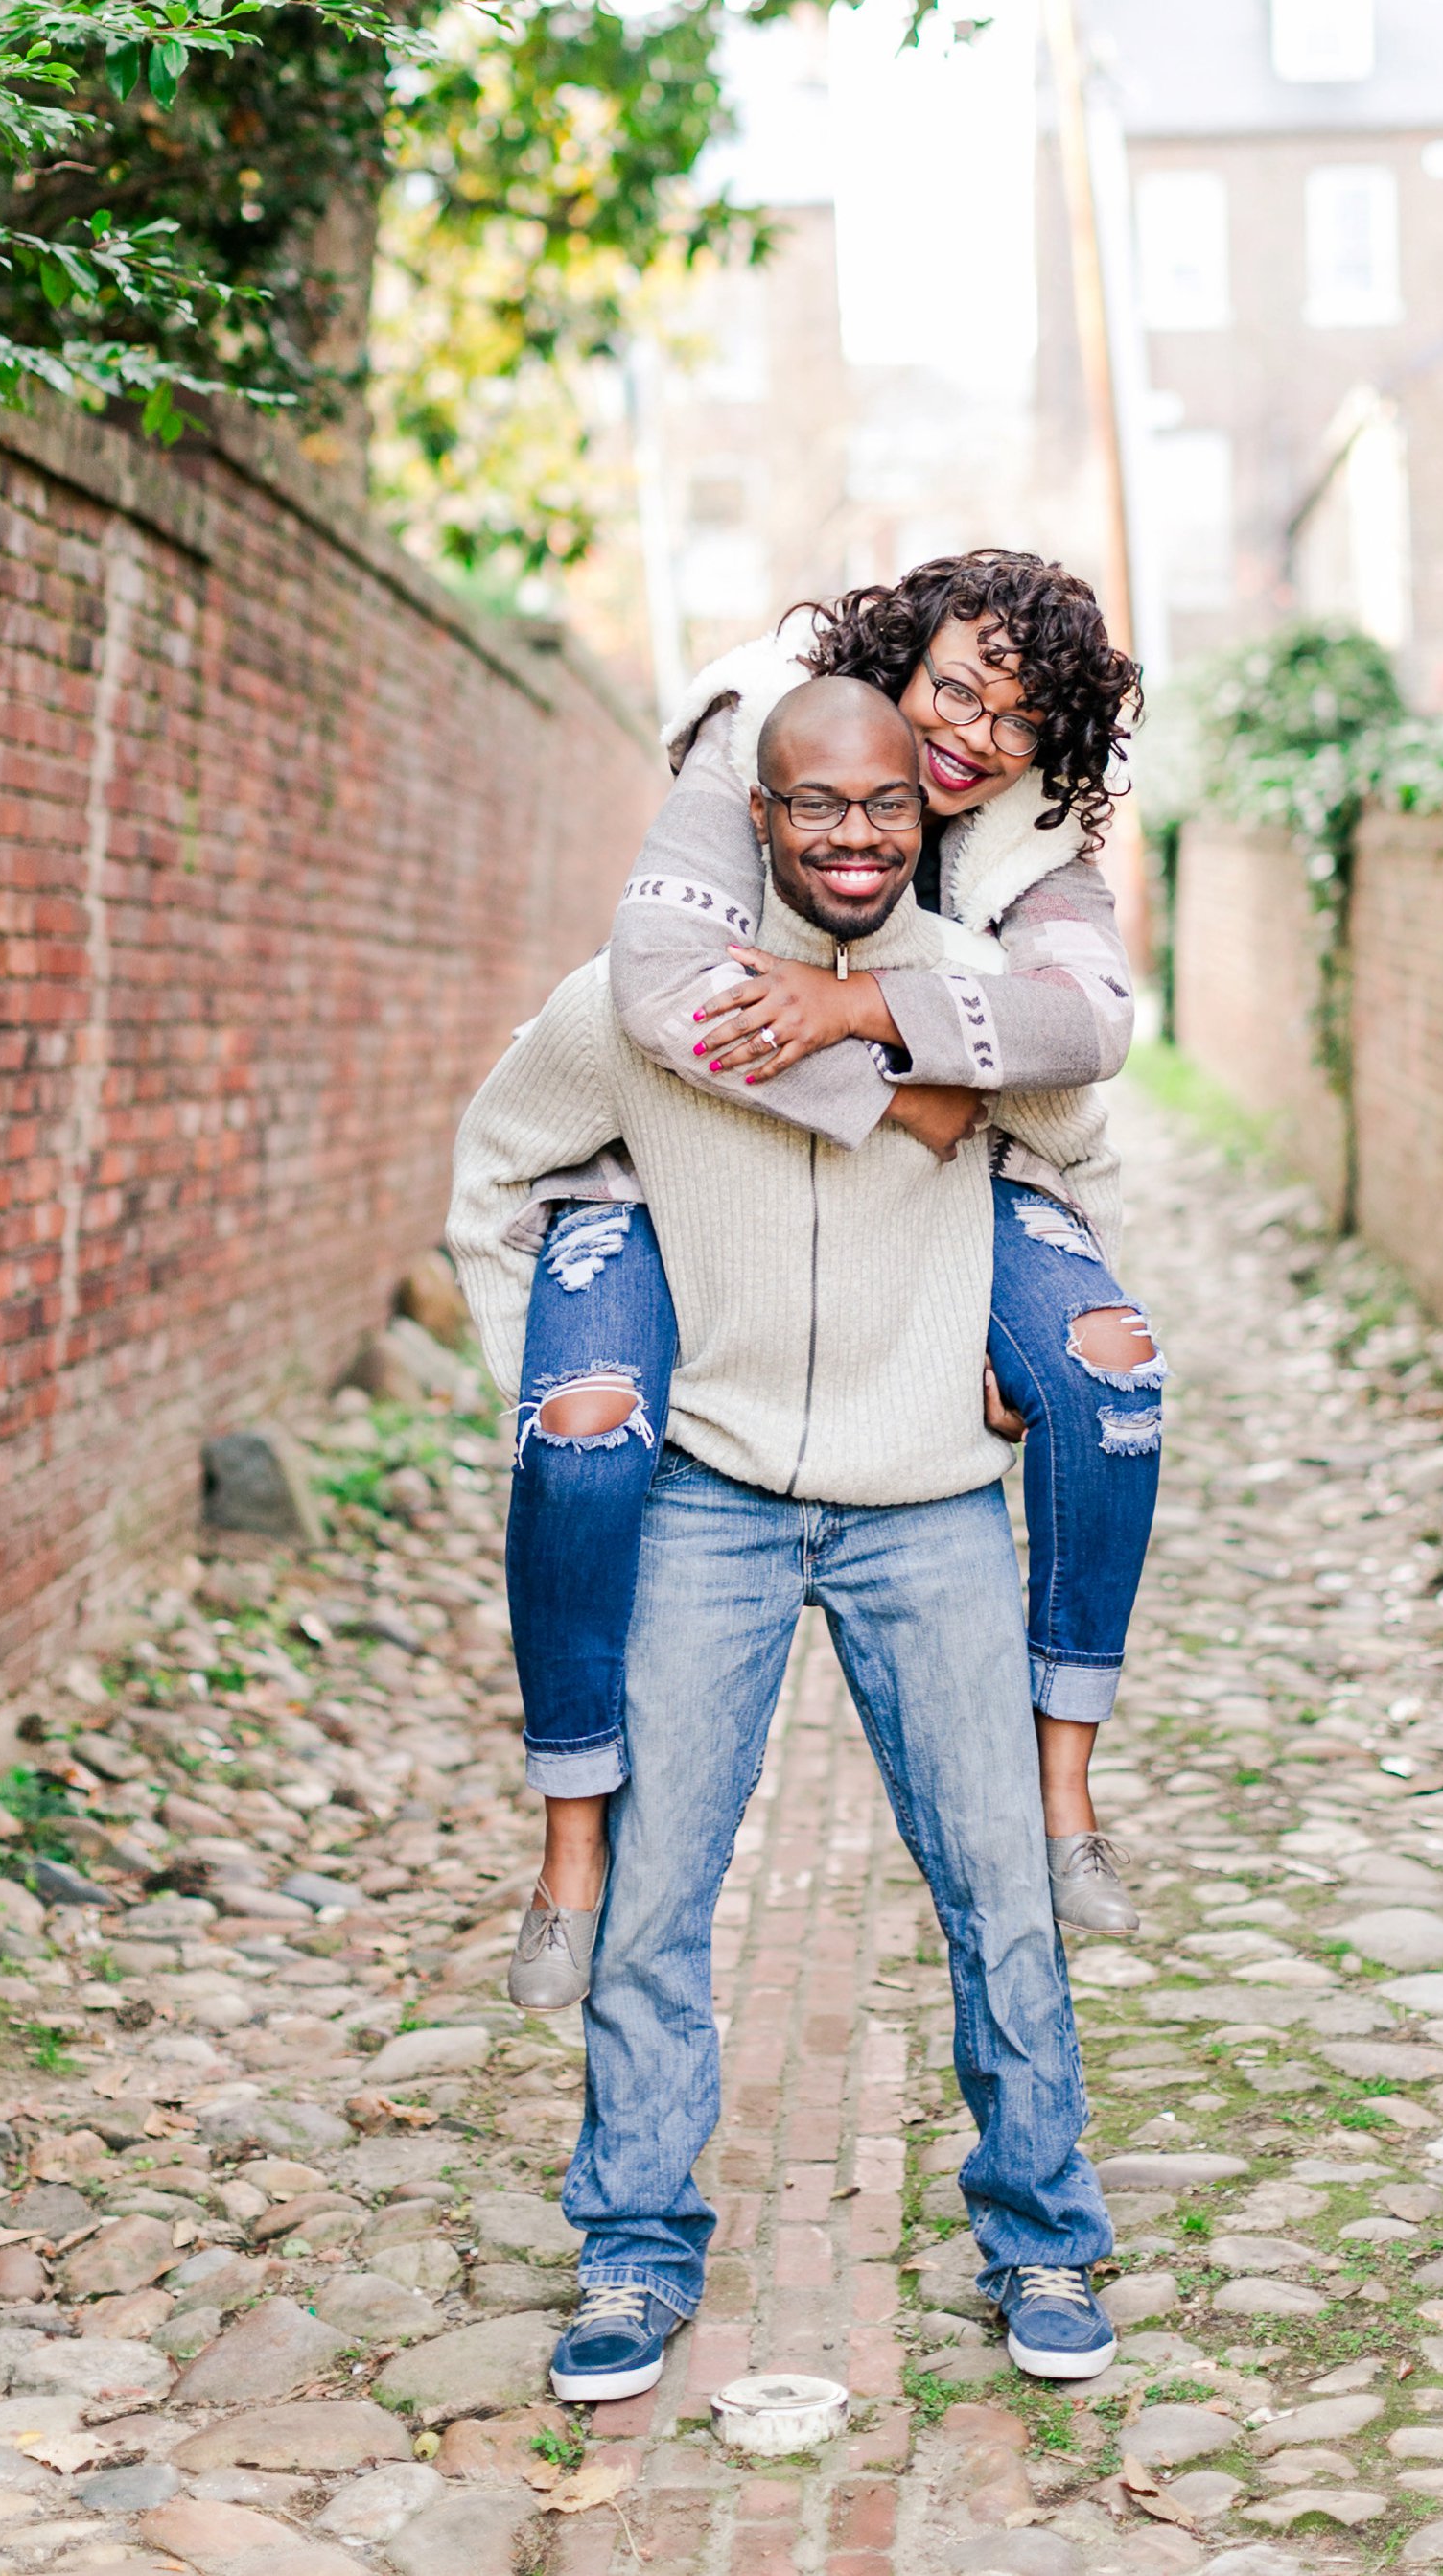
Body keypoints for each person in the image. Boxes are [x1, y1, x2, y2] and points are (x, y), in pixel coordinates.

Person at [450, 675, 1120, 2402]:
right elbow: (496, 1173)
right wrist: (551, 1391)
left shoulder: (972, 995)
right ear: (757, 815)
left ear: (927, 816)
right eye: (813, 806)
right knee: (659, 1902)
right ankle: (632, 2252)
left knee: (1000, 1897)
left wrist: (1014, 1337)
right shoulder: (643, 1000)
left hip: (930, 1509)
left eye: (885, 805)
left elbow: (1078, 1144)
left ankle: (1042, 2243)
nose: (851, 834)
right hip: (712, 1499)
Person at [505, 550, 1161, 2012]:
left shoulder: (1029, 846)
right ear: (901, 654)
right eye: (958, 690)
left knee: (1117, 1376)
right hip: (710, 1158)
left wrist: (863, 1011)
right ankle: (569, 1850)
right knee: (584, 1437)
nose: (973, 739)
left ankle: (1067, 1794)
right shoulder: (765, 727)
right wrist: (898, 1096)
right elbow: (668, 979)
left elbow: (1087, 1028)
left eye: (1018, 721)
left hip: (967, 1177)